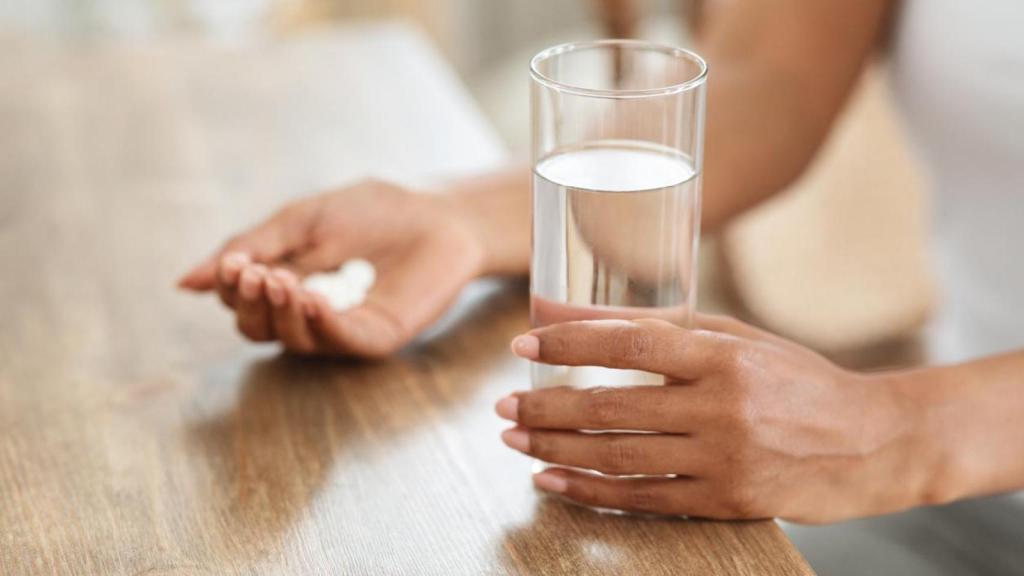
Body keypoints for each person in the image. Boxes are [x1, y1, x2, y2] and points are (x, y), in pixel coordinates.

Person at [178, 0, 1024, 523]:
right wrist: (464, 218)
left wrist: (900, 433)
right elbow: (767, 77)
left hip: (938, 468)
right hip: (958, 500)